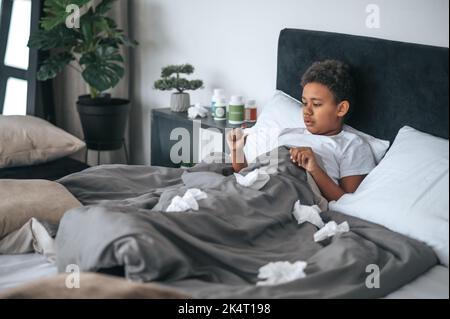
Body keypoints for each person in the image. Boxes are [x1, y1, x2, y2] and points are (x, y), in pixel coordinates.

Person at [226, 60, 376, 201]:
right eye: (304, 103)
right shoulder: (288, 133)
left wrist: (314, 169)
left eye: (316, 104)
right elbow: (248, 177)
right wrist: (237, 151)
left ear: (341, 108)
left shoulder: (352, 145)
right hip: (257, 189)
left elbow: (347, 202)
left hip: (285, 195)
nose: (306, 111)